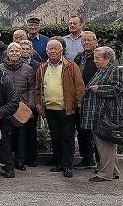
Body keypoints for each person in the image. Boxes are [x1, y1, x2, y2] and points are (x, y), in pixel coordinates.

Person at [35, 39, 85, 178]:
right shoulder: (42, 67)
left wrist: (79, 104)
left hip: (67, 109)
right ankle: (59, 163)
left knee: (67, 138)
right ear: (46, 51)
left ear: (61, 50)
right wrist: (39, 104)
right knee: (55, 137)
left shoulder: (71, 66)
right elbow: (38, 88)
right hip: (50, 109)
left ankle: (67, 166)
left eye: (56, 49)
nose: (53, 51)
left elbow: (79, 87)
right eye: (50, 49)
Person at [81, 47, 123, 182]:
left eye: (98, 58)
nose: (95, 61)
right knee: (105, 145)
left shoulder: (114, 70)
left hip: (106, 114)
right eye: (95, 58)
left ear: (107, 58)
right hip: (98, 113)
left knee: (106, 145)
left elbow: (119, 88)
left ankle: (105, 174)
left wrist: (99, 89)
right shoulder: (103, 70)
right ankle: (114, 171)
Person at [0, 42, 34, 171]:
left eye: (17, 51)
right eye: (11, 51)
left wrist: (29, 104)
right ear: (7, 53)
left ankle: (19, 161)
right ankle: (7, 160)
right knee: (6, 135)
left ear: (20, 54)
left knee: (21, 135)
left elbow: (31, 88)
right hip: (6, 106)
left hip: (21, 106)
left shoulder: (27, 69)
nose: (14, 53)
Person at [73, 31, 99, 170]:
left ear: (95, 41)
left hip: (95, 99)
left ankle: (101, 162)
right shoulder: (79, 57)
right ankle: (87, 159)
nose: (86, 43)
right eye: (84, 41)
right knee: (82, 129)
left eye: (89, 40)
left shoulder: (100, 56)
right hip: (80, 99)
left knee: (96, 131)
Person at [19, 39, 41, 167]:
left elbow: (36, 86)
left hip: (31, 102)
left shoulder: (37, 65)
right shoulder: (15, 63)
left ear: (31, 51)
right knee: (21, 132)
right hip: (19, 103)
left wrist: (32, 104)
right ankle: (21, 157)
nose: (25, 51)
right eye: (23, 49)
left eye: (28, 49)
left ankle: (32, 157)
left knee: (32, 132)